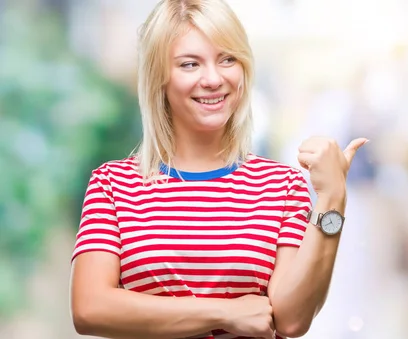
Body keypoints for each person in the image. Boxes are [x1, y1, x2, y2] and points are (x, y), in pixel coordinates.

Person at [68, 1, 367, 339]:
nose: (213, 79)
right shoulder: (113, 184)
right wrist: (224, 312)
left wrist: (332, 200)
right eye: (190, 64)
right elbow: (89, 308)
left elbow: (292, 320)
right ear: (159, 78)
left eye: (227, 59)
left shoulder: (281, 186)